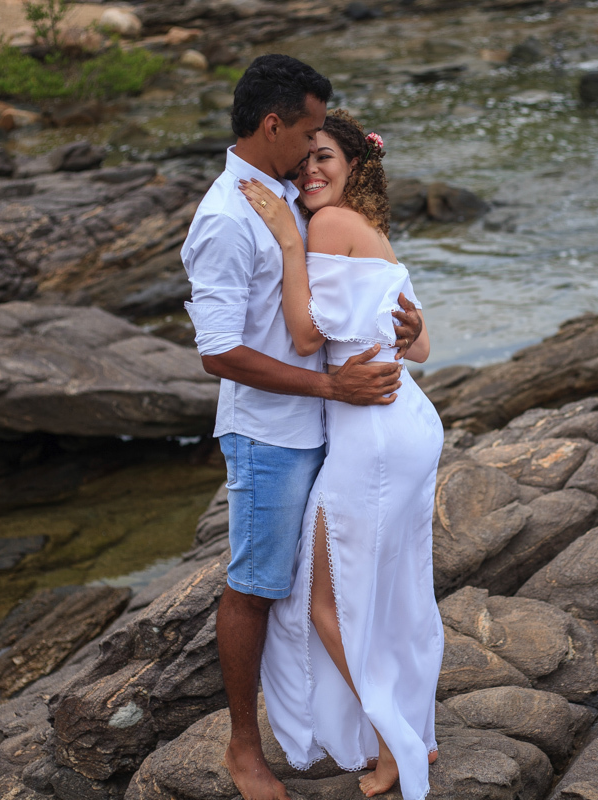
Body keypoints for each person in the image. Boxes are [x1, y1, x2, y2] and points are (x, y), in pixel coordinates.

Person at [179, 56, 424, 800]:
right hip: (270, 437)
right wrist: (330, 384)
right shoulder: (227, 218)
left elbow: (350, 283)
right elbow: (217, 352)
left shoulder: (290, 194)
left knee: (329, 589)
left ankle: (341, 728)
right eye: (312, 129)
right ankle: (244, 750)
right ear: (274, 125)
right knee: (256, 588)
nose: (321, 143)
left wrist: (404, 324)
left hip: (328, 424)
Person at [237, 110, 444, 800]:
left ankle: (396, 749)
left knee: (328, 605)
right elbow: (419, 347)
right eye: (299, 165)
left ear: (354, 163)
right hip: (405, 419)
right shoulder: (371, 231)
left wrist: (290, 249)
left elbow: (302, 337)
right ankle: (418, 728)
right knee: (394, 592)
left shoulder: (325, 228)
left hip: (374, 434)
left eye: (322, 157)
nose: (309, 173)